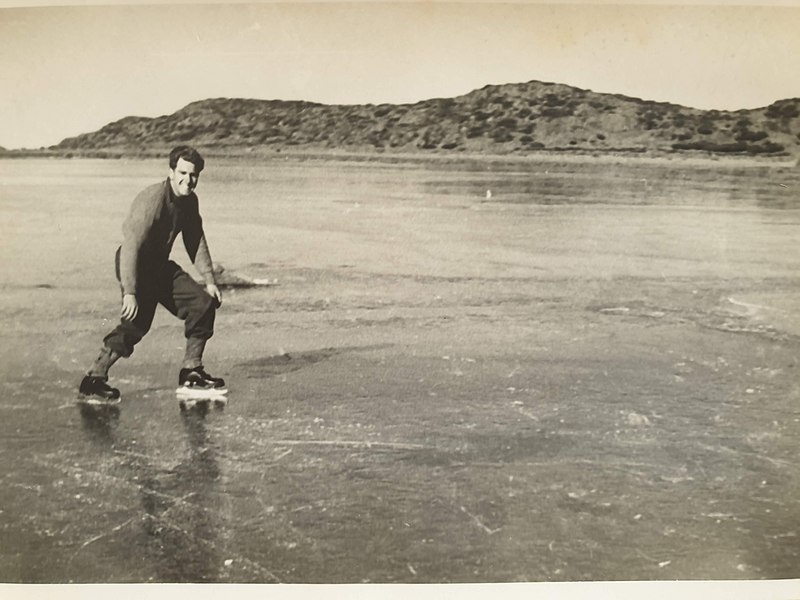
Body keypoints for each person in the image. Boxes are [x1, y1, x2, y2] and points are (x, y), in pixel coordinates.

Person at [79, 145, 225, 400]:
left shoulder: (190, 202)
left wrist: (209, 280)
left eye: (193, 175)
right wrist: (130, 292)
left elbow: (195, 240)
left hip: (159, 265)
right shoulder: (153, 200)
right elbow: (130, 246)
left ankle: (191, 372)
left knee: (202, 304)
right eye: (182, 173)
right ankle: (94, 378)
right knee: (136, 324)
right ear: (171, 172)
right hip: (135, 264)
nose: (188, 180)